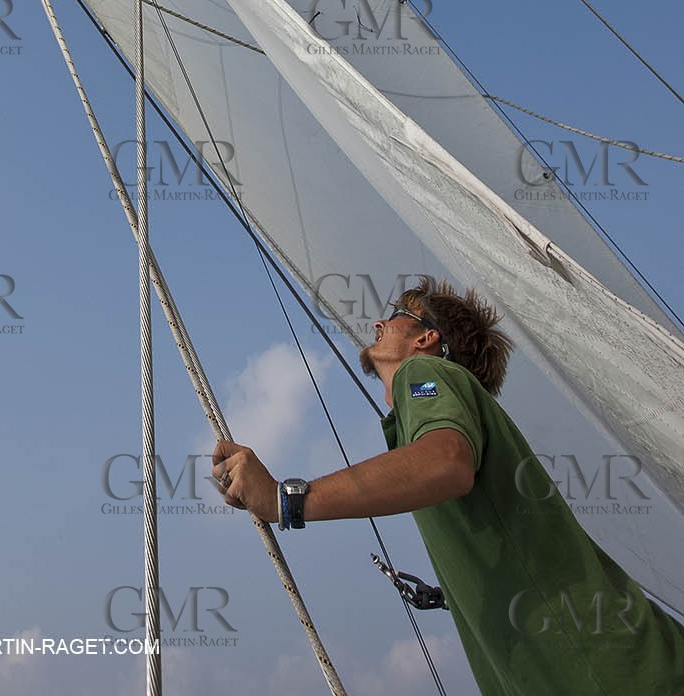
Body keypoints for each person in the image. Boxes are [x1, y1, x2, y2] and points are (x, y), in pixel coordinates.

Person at [212, 276, 684, 695]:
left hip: (615, 673)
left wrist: (285, 499)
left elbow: (447, 463)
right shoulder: (429, 405)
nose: (379, 323)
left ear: (427, 337)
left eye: (395, 316)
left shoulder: (426, 374)